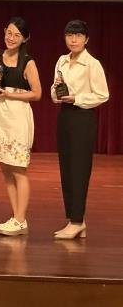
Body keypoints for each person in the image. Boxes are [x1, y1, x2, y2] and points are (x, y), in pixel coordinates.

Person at [0, 17, 42, 236]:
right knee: (6, 168)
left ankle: (20, 219)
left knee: (18, 169)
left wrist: (11, 95)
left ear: (25, 38)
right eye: (9, 33)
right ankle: (16, 217)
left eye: (17, 35)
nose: (11, 38)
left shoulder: (28, 62)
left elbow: (37, 93)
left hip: (17, 115)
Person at [51, 20, 108, 239]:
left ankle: (77, 220)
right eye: (69, 35)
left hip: (83, 117)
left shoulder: (92, 64)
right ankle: (75, 220)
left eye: (78, 35)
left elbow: (102, 94)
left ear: (86, 39)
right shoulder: (62, 60)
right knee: (66, 168)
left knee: (79, 169)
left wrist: (76, 98)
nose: (73, 40)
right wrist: (57, 94)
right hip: (65, 115)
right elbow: (55, 88)